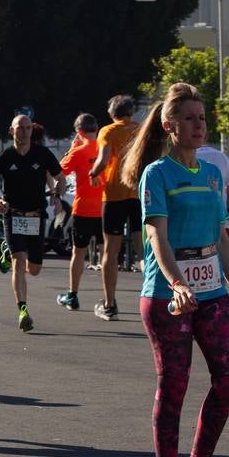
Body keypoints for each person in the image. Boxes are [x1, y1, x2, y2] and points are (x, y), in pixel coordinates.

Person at [121, 82, 229, 457]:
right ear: (169, 125)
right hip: (166, 294)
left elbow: (221, 238)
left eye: (202, 118)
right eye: (190, 119)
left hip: (212, 291)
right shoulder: (156, 174)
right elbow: (156, 236)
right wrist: (177, 282)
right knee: (174, 382)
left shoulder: (213, 173)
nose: (200, 125)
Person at [0, 113, 62, 332]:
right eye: (20, 128)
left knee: (33, 269)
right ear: (12, 131)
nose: (24, 132)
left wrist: (57, 195)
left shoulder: (42, 154)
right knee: (19, 262)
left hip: (36, 215)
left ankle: (6, 248)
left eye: (27, 128)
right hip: (13, 214)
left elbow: (60, 177)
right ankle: (22, 310)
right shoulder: (6, 156)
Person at [89, 94, 143, 320]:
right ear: (131, 112)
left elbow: (103, 159)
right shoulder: (141, 130)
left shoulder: (108, 131)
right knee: (143, 249)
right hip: (138, 192)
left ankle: (110, 304)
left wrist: (93, 173)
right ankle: (158, 296)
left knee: (111, 250)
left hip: (113, 194)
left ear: (112, 114)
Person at [56, 113, 103, 310]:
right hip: (105, 207)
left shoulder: (78, 151)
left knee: (78, 252)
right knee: (106, 253)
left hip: (83, 207)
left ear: (78, 131)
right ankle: (108, 297)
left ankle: (73, 294)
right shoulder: (105, 147)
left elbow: (59, 171)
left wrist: (72, 149)